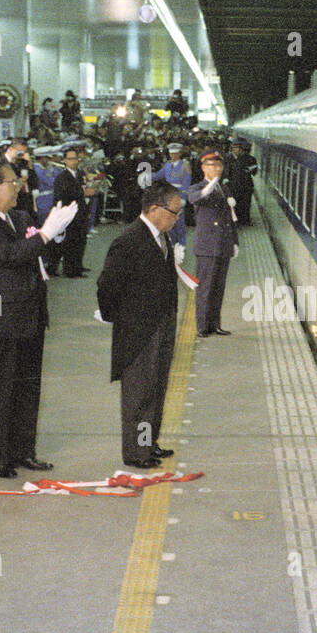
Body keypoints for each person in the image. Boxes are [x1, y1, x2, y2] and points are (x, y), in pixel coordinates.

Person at [0, 160, 78, 478]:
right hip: (0, 315)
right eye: (11, 182)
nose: (18, 187)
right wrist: (43, 236)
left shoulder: (19, 217)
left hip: (30, 312)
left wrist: (52, 235)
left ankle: (24, 450)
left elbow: (35, 254)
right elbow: (8, 257)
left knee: (28, 387)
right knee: (2, 388)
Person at [96, 179, 180, 469]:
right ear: (156, 209)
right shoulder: (129, 240)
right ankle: (136, 452)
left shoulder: (160, 236)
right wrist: (117, 318)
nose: (177, 218)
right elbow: (107, 285)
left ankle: (149, 443)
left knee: (156, 389)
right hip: (139, 332)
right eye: (174, 212)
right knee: (139, 394)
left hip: (161, 325)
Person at [187, 151, 238, 338]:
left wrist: (234, 242)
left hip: (223, 245)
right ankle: (202, 326)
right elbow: (195, 199)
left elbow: (230, 218)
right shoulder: (197, 188)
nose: (216, 169)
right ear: (203, 167)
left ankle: (215, 324)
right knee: (205, 288)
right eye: (212, 166)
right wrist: (210, 186)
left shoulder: (224, 189)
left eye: (219, 166)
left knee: (218, 287)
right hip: (207, 246)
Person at [50, 145, 97, 277]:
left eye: (75, 158)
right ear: (64, 160)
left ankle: (78, 265)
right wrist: (82, 193)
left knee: (81, 240)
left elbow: (86, 185)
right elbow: (62, 194)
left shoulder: (80, 173)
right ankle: (70, 269)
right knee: (71, 242)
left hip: (81, 211)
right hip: (69, 213)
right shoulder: (62, 176)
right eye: (70, 159)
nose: (74, 161)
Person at [152, 143, 191, 249]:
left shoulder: (184, 166)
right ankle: (173, 242)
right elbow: (157, 176)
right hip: (168, 195)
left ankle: (181, 244)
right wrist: (146, 176)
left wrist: (183, 197)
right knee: (169, 219)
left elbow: (186, 183)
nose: (173, 156)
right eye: (172, 154)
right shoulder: (167, 165)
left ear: (179, 154)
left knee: (179, 221)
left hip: (178, 196)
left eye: (176, 154)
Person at [226, 137, 256, 225]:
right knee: (233, 204)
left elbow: (254, 171)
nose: (233, 149)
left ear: (242, 149)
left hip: (246, 186)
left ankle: (245, 220)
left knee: (245, 204)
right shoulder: (227, 158)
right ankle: (234, 220)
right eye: (233, 147)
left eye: (236, 147)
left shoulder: (251, 159)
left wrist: (243, 167)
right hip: (232, 185)